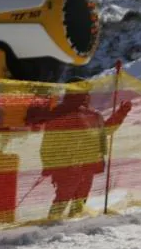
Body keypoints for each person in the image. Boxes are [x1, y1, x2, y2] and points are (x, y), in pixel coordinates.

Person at [34, 90, 132, 220]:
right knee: (74, 198)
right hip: (79, 164)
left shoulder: (81, 113)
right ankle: (59, 224)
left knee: (69, 198)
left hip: (76, 164)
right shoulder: (85, 114)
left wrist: (48, 164)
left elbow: (48, 142)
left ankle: (57, 224)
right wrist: (122, 113)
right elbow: (106, 130)